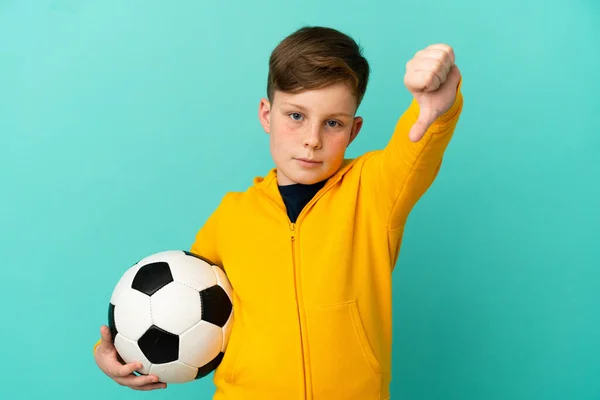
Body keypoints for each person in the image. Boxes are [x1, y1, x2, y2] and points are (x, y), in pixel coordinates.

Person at [93, 25, 463, 399]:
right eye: (296, 116)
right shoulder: (232, 216)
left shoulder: (373, 192)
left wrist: (435, 108)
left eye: (333, 123)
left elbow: (415, 150)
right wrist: (115, 352)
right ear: (267, 114)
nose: (312, 139)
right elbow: (176, 306)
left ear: (353, 131)